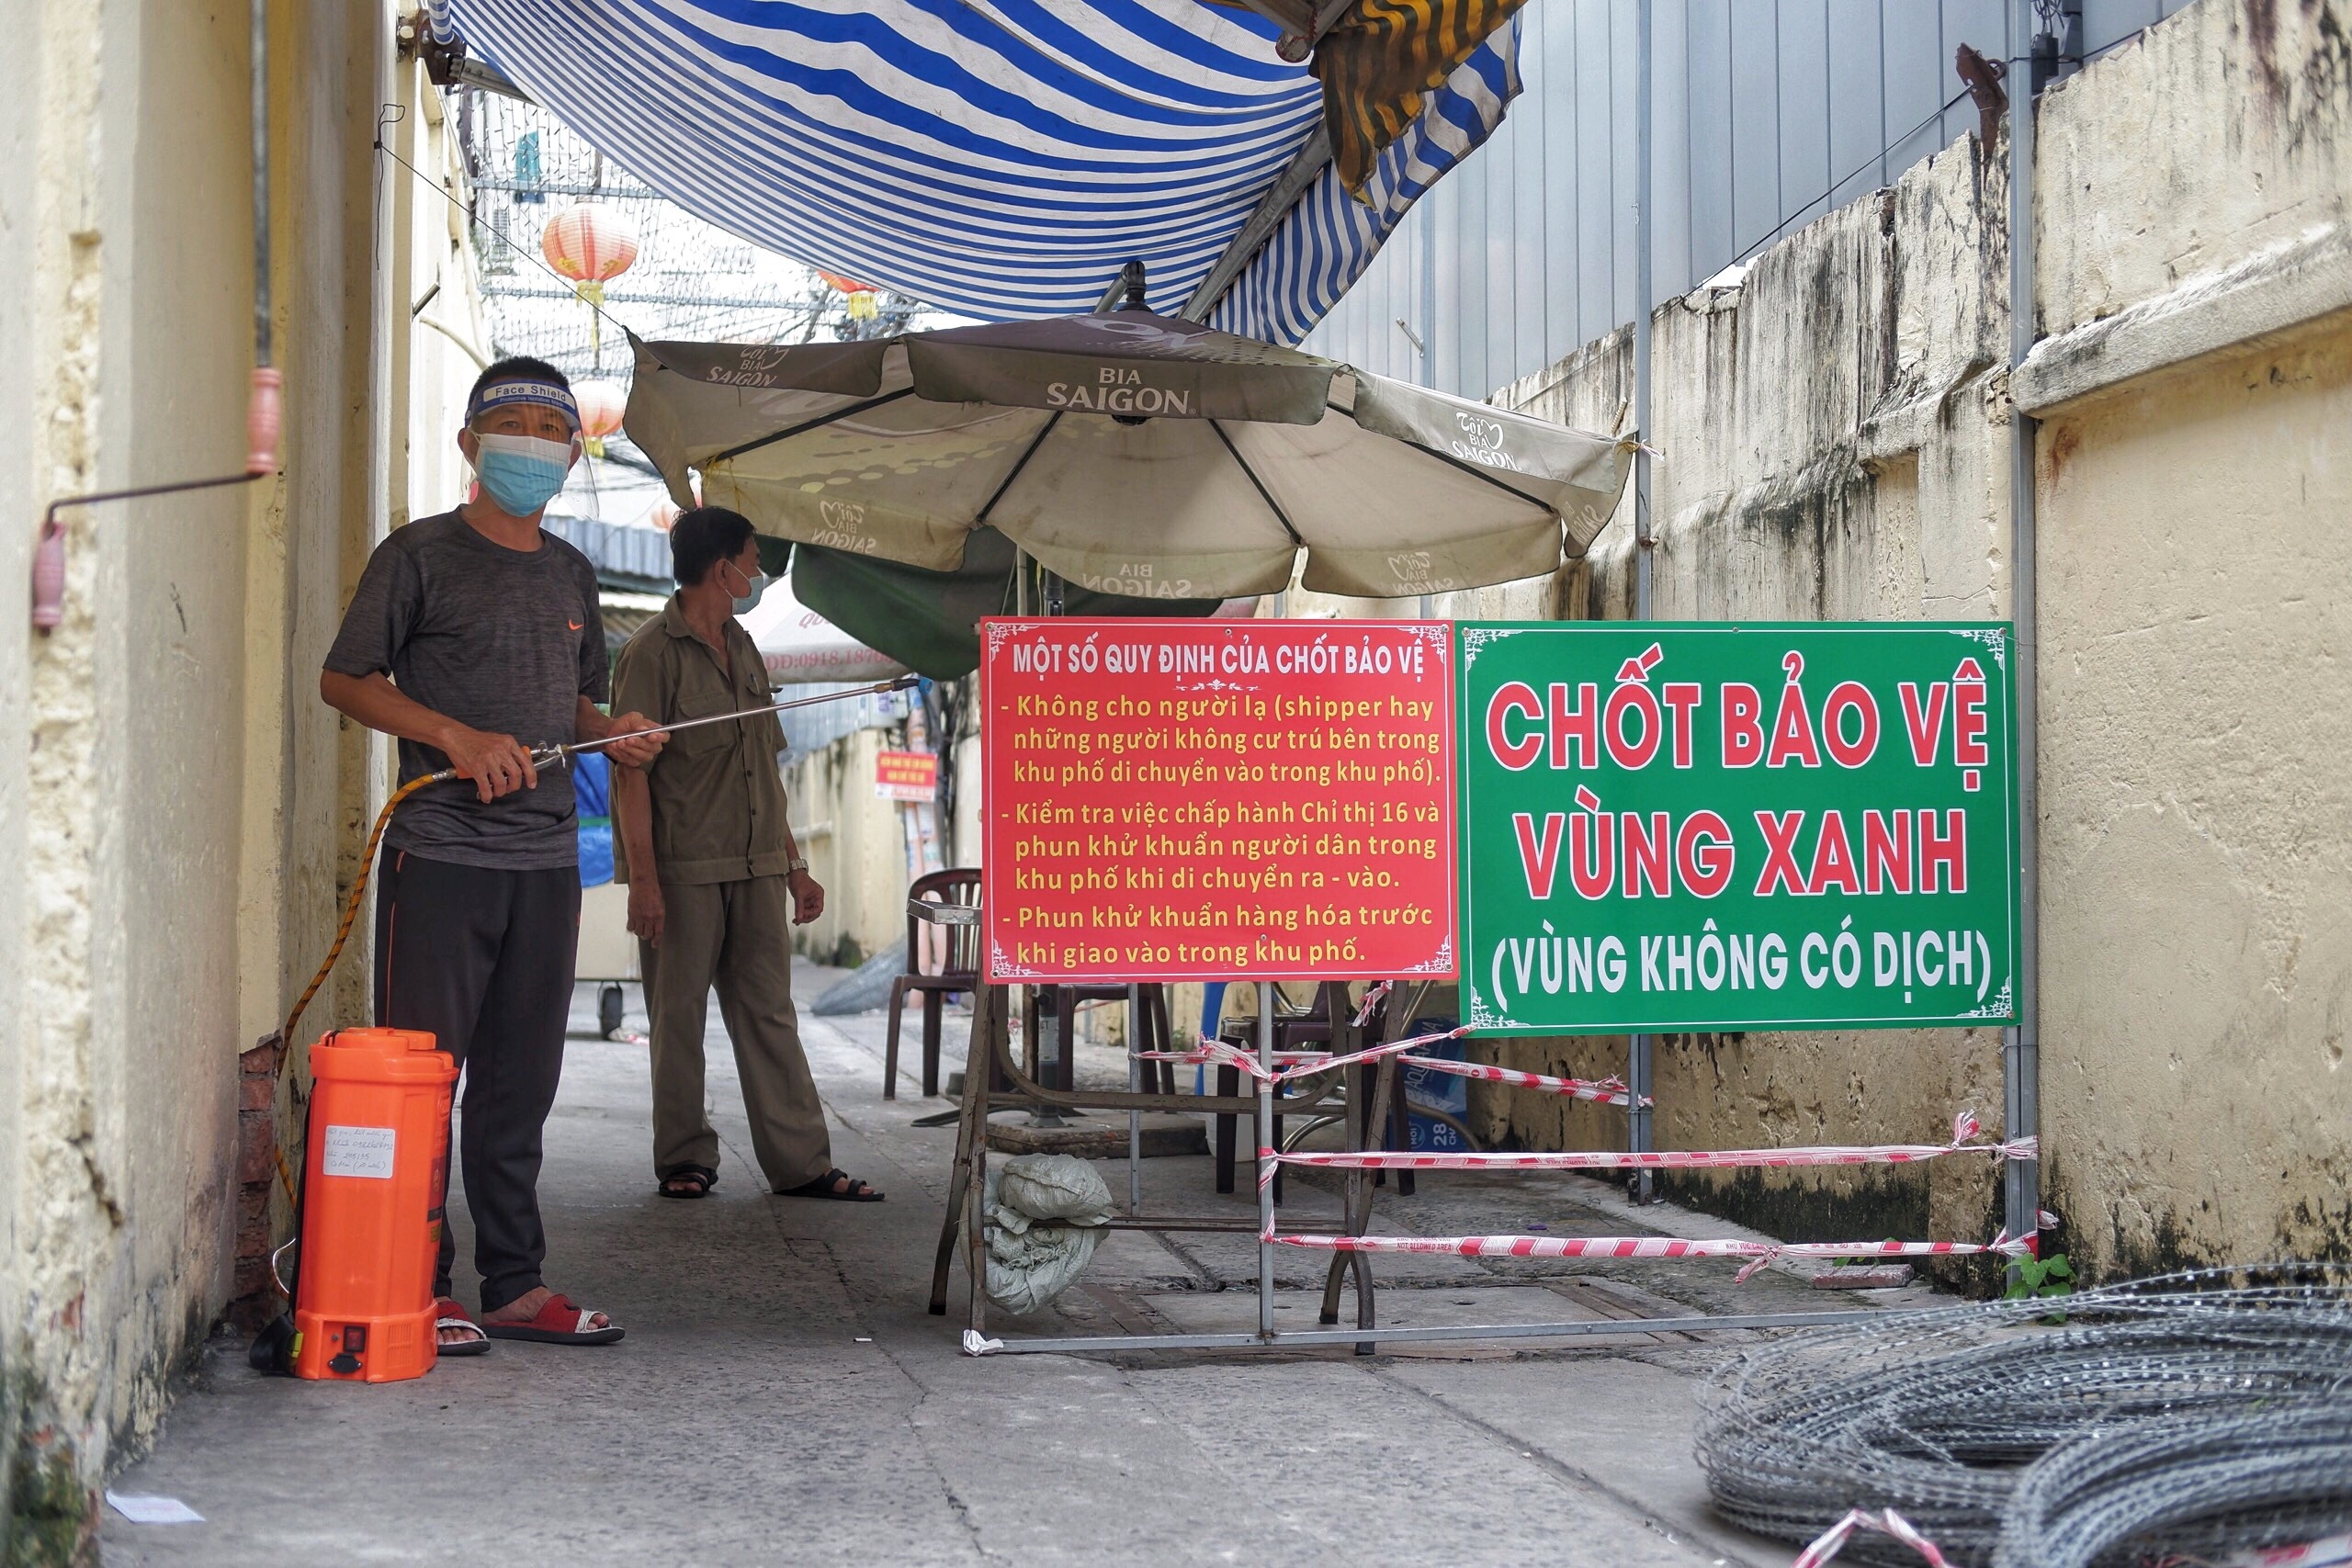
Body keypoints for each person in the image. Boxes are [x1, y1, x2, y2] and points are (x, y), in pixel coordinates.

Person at [321, 356, 668, 1351]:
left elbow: (573, 704)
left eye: (552, 431)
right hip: (439, 853)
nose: (533, 444)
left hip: (544, 864)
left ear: (572, 457)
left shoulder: (570, 573)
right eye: (512, 424)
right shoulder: (417, 556)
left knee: (520, 1088)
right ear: (470, 443)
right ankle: (416, 1282)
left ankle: (513, 1283)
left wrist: (612, 733)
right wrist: (456, 737)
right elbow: (344, 679)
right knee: (425, 1078)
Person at [609, 506, 883, 1204]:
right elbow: (629, 775)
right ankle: (684, 1157)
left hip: (759, 867)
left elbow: (765, 767)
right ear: (721, 566)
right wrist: (643, 883)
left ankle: (802, 1164)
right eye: (753, 559)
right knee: (678, 1019)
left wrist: (794, 866)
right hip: (684, 873)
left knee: (770, 1013)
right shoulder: (649, 653)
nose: (759, 572)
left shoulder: (747, 647)